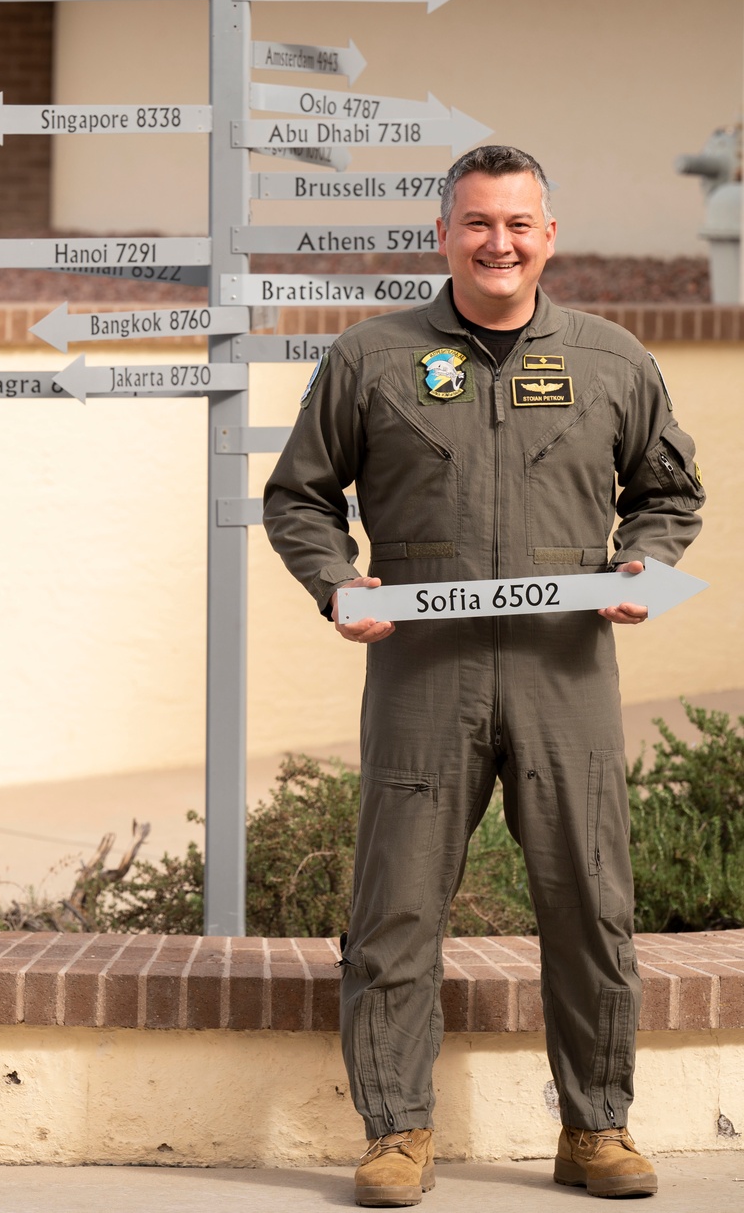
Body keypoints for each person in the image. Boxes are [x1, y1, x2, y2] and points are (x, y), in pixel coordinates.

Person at [262, 145, 705, 1207]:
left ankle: (596, 1129)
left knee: (590, 906)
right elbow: (299, 498)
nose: (496, 243)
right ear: (443, 236)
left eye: (517, 224)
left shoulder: (611, 361)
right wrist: (337, 585)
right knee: (397, 910)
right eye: (476, 224)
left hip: (565, 675)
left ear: (548, 236)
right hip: (423, 679)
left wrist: (645, 561)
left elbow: (666, 491)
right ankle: (395, 1132)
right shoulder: (372, 359)